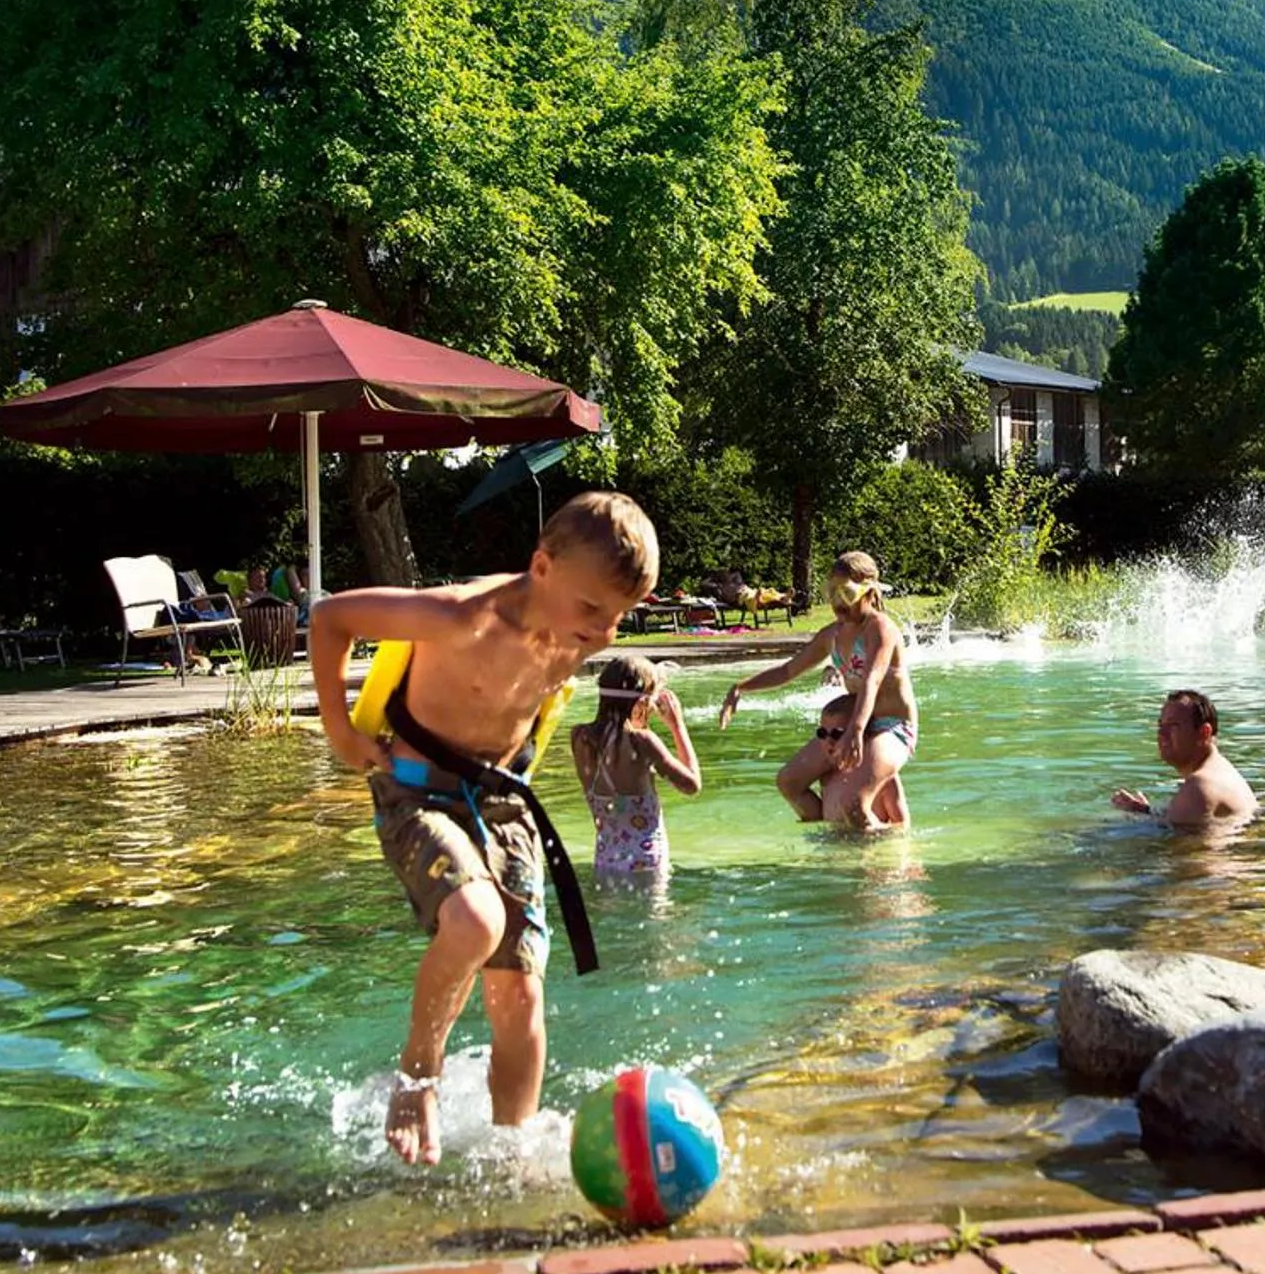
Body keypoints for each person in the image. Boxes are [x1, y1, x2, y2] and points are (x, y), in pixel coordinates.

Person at [308, 490, 658, 1166]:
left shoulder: (577, 630)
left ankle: (512, 1151)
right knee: (473, 923)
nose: (603, 631)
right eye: (592, 609)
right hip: (416, 796)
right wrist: (340, 731)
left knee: (521, 988)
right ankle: (417, 1077)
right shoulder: (462, 616)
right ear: (541, 567)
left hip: (501, 804)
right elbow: (330, 618)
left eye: (620, 616)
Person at [720, 551, 917, 831]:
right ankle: (828, 838)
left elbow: (872, 680)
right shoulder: (832, 635)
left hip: (891, 727)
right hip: (855, 723)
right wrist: (741, 687)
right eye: (831, 593)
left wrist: (856, 731)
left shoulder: (880, 629)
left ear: (869, 592)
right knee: (789, 782)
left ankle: (888, 850)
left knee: (853, 805)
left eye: (846, 593)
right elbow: (789, 670)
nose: (838, 602)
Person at [570, 654, 702, 879]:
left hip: (605, 858)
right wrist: (677, 726)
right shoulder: (642, 741)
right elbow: (692, 785)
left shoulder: (580, 737)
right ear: (641, 701)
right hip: (647, 859)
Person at [1112, 689, 1257, 829]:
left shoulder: (1200, 786)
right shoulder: (1220, 772)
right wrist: (1146, 813)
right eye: (1160, 725)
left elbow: (1181, 850)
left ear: (1203, 733)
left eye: (1173, 726)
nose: (1161, 733)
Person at [777, 694, 911, 828]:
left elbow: (902, 825)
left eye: (837, 734)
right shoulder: (826, 775)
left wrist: (873, 831)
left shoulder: (882, 777)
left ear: (859, 736)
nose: (828, 741)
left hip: (871, 844)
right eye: (822, 733)